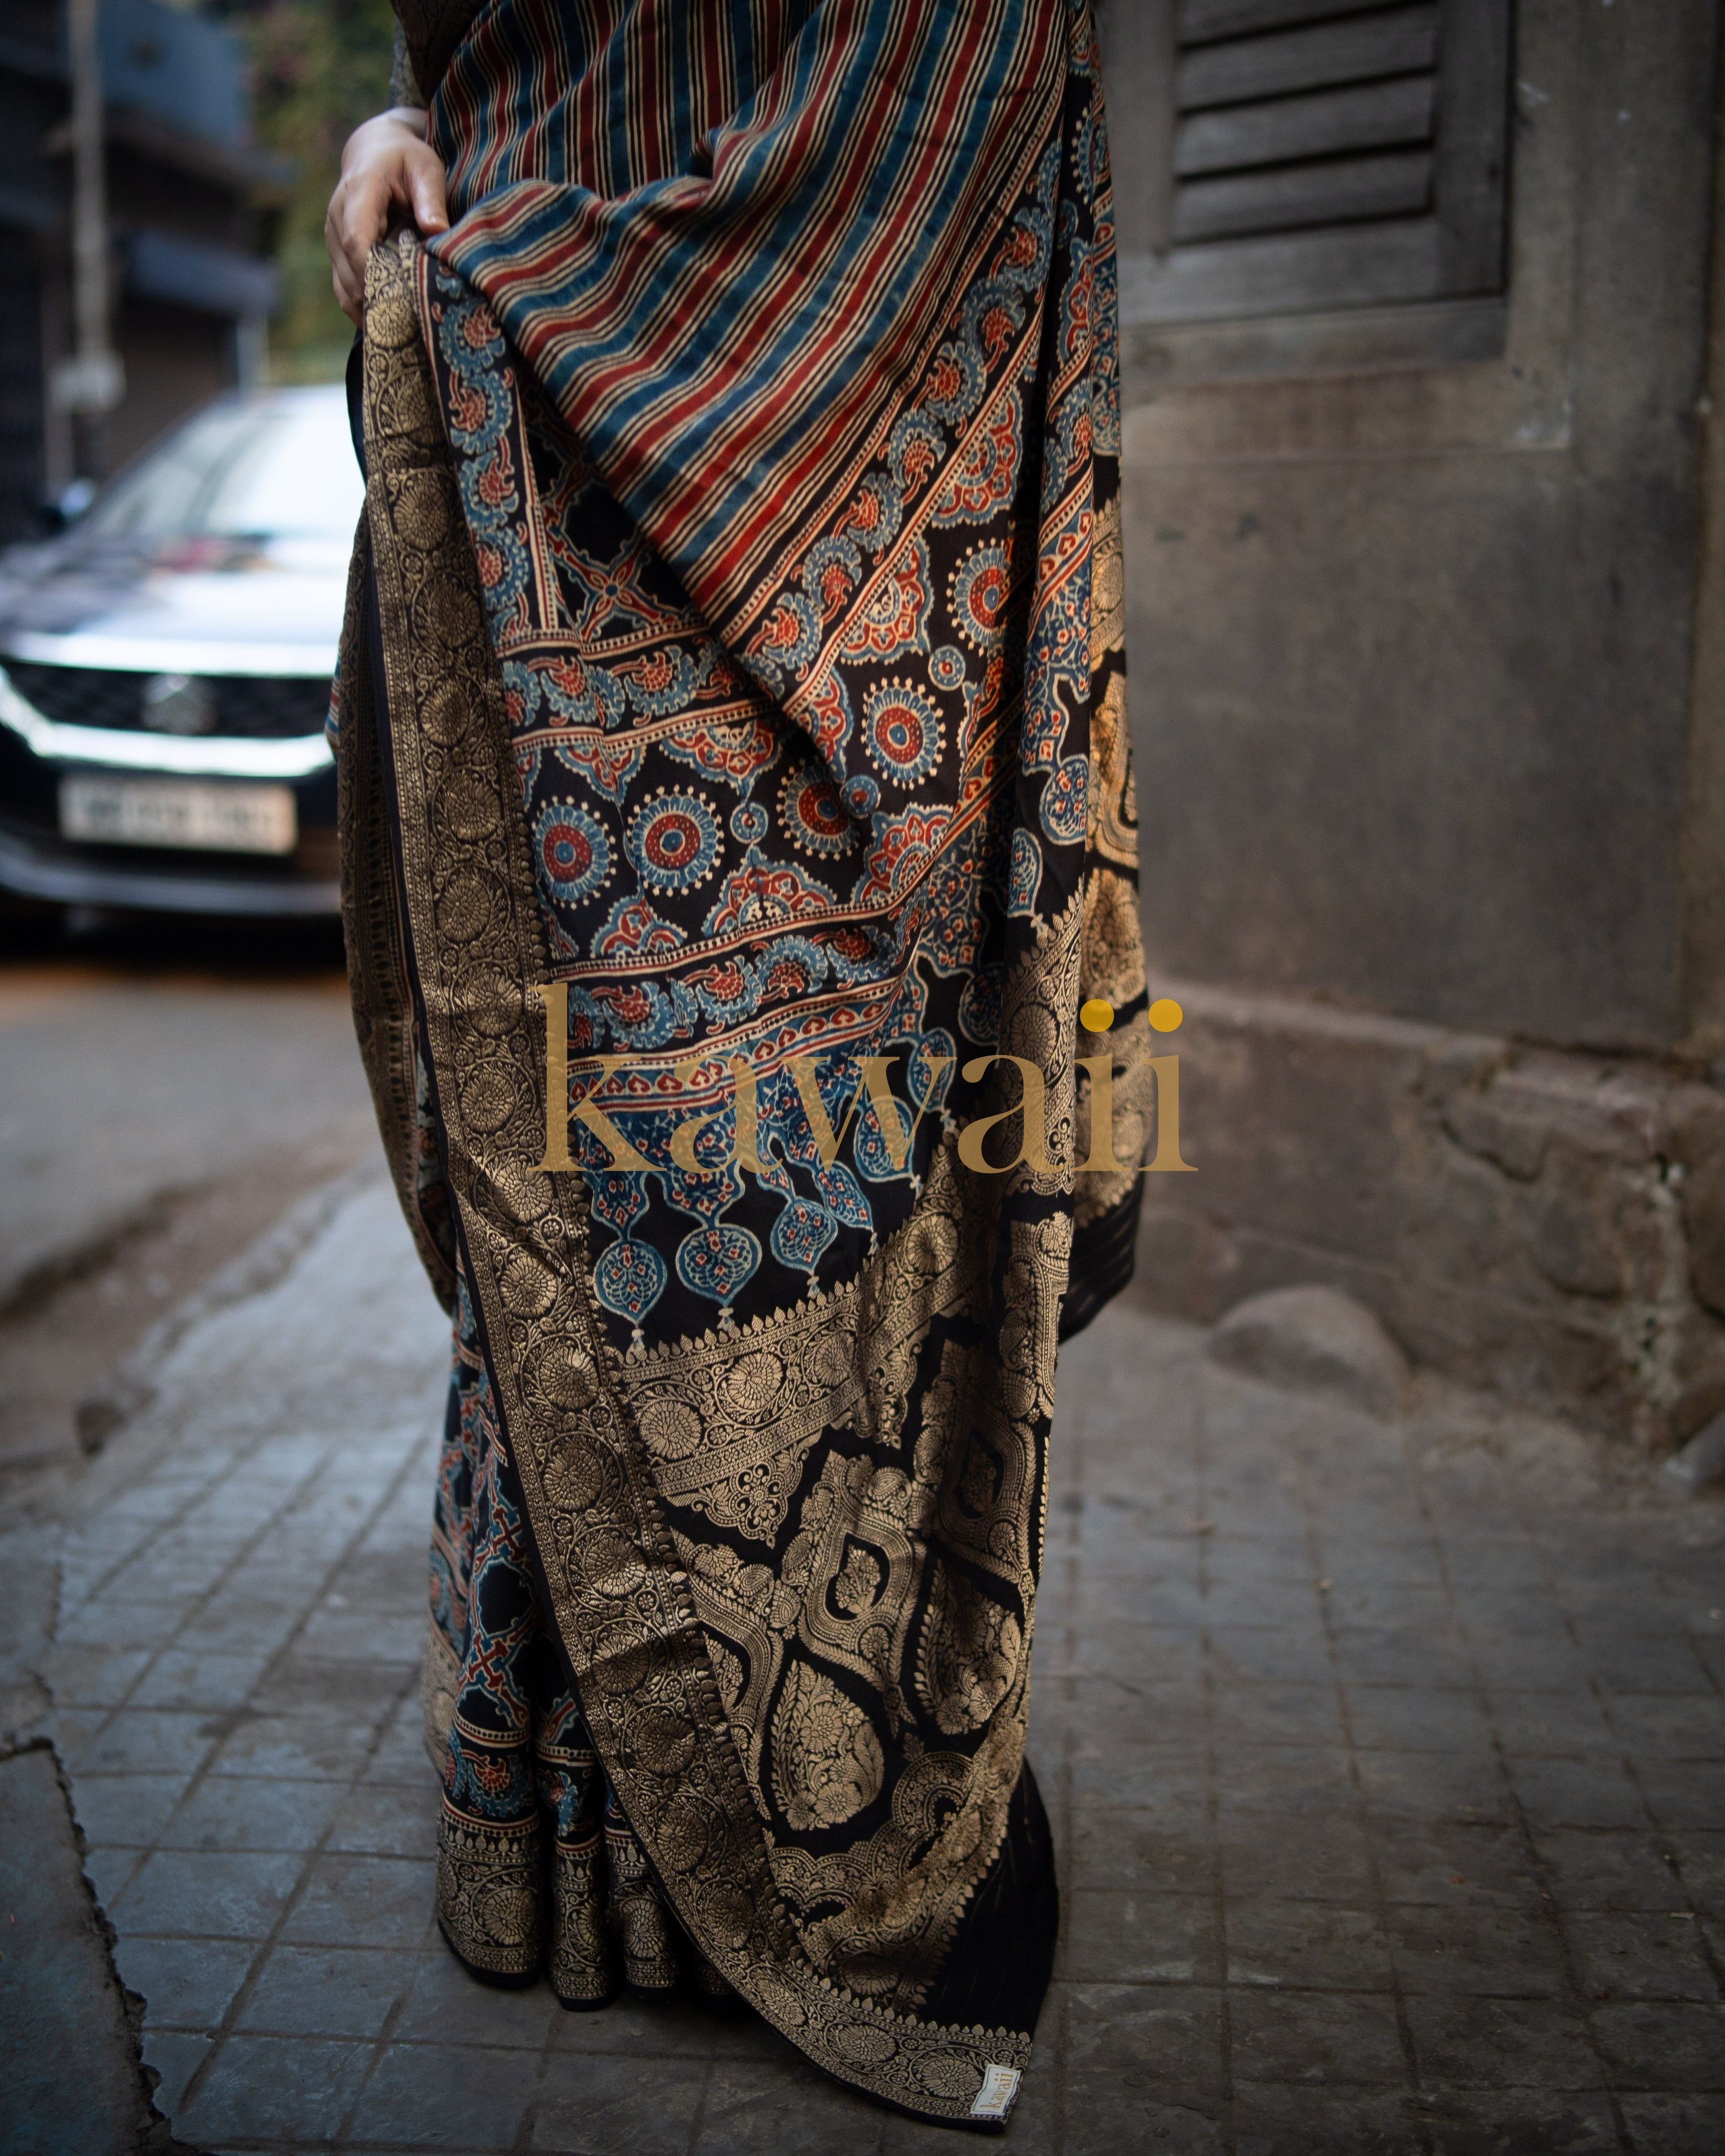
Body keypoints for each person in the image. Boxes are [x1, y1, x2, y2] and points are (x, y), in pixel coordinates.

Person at [325, 0, 1148, 2126]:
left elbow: (971, 68)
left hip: (823, 570)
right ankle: (608, 1854)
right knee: (587, 1202)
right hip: (537, 529)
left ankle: (743, 1823)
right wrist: (409, 133)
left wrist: (521, 288)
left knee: (812, 1191)